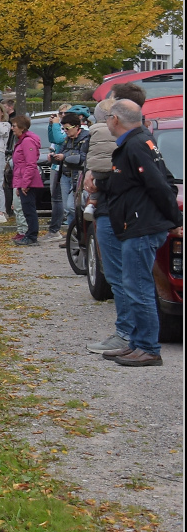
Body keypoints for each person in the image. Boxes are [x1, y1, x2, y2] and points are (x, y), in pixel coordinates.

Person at [90, 98, 182, 367]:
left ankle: (148, 348)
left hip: (141, 227)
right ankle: (137, 343)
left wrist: (174, 218)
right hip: (136, 225)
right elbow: (142, 183)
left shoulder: (136, 145)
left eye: (107, 118)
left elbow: (160, 185)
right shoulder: (138, 142)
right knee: (133, 286)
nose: (106, 123)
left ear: (115, 120)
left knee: (139, 288)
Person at [83, 82, 151, 355]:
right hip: (115, 211)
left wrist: (99, 184)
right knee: (123, 278)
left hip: (116, 213)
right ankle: (130, 335)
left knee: (122, 278)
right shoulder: (135, 137)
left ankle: (128, 335)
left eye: (111, 104)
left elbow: (136, 180)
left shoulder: (132, 140)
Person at [49, 112, 87, 240]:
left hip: (78, 176)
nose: (65, 131)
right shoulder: (67, 139)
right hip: (65, 175)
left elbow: (83, 157)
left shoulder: (86, 138)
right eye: (63, 129)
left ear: (77, 126)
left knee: (72, 206)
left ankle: (82, 232)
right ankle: (73, 236)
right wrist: (55, 156)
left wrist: (65, 156)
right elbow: (62, 150)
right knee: (67, 208)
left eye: (67, 128)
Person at [10, 114, 43, 245]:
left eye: (14, 126)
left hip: (28, 181)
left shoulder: (27, 141)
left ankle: (31, 235)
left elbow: (30, 164)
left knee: (29, 209)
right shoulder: (22, 140)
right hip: (23, 179)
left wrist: (25, 184)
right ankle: (30, 234)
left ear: (22, 128)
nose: (12, 128)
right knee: (26, 208)